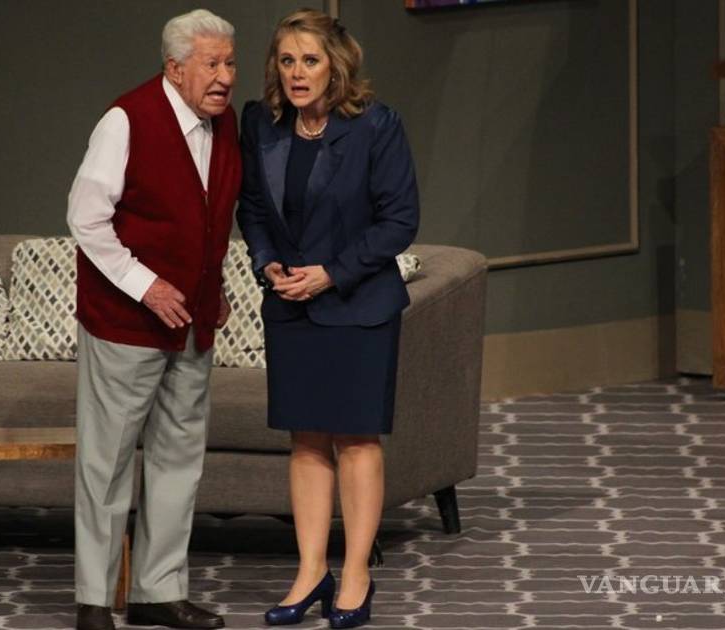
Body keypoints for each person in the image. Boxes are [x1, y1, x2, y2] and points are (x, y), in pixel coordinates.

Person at [235, 9, 420, 630]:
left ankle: (357, 574)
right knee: (306, 440)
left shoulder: (376, 126)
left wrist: (332, 273)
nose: (296, 73)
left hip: (359, 305)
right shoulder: (261, 123)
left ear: (335, 67)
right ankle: (311, 571)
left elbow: (399, 221)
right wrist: (266, 261)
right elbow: (252, 206)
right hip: (291, 304)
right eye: (286, 60)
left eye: (309, 60)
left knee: (356, 439)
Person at [66, 9, 241, 630]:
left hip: (192, 323)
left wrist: (213, 285)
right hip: (127, 325)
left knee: (177, 458)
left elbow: (209, 216)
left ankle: (157, 591)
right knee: (107, 461)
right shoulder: (127, 120)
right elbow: (85, 217)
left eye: (230, 63)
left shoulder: (225, 124)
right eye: (212, 64)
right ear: (175, 67)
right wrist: (148, 286)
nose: (225, 77)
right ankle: (94, 600)